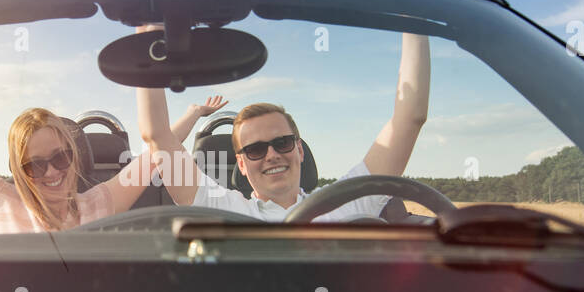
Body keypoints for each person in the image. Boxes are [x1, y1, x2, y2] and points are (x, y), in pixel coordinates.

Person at [136, 33, 430, 221]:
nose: (271, 155)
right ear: (240, 163)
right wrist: (149, 36)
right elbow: (158, 137)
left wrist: (413, 26)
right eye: (255, 150)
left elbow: (409, 118)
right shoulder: (223, 209)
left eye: (282, 143)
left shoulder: (344, 205)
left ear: (299, 149)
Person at [0, 82, 227, 233]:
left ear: (74, 155)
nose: (51, 172)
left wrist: (193, 113)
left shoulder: (98, 203)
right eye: (35, 165)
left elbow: (156, 152)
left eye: (60, 157)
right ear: (18, 170)